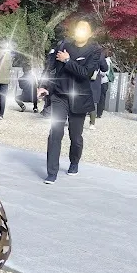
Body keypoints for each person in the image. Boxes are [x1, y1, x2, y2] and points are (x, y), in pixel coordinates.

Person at [38, 13, 102, 183]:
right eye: (79, 27)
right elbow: (51, 68)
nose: (80, 31)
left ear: (90, 33)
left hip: (80, 98)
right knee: (55, 132)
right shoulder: (63, 45)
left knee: (75, 136)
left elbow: (85, 73)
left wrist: (68, 61)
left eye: (85, 29)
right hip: (59, 95)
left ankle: (74, 162)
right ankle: (52, 172)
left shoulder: (94, 51)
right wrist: (44, 86)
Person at [87, 49, 110, 129]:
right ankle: (92, 123)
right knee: (93, 101)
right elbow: (105, 68)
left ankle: (75, 121)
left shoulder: (81, 49)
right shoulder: (99, 54)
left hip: (81, 78)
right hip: (94, 79)